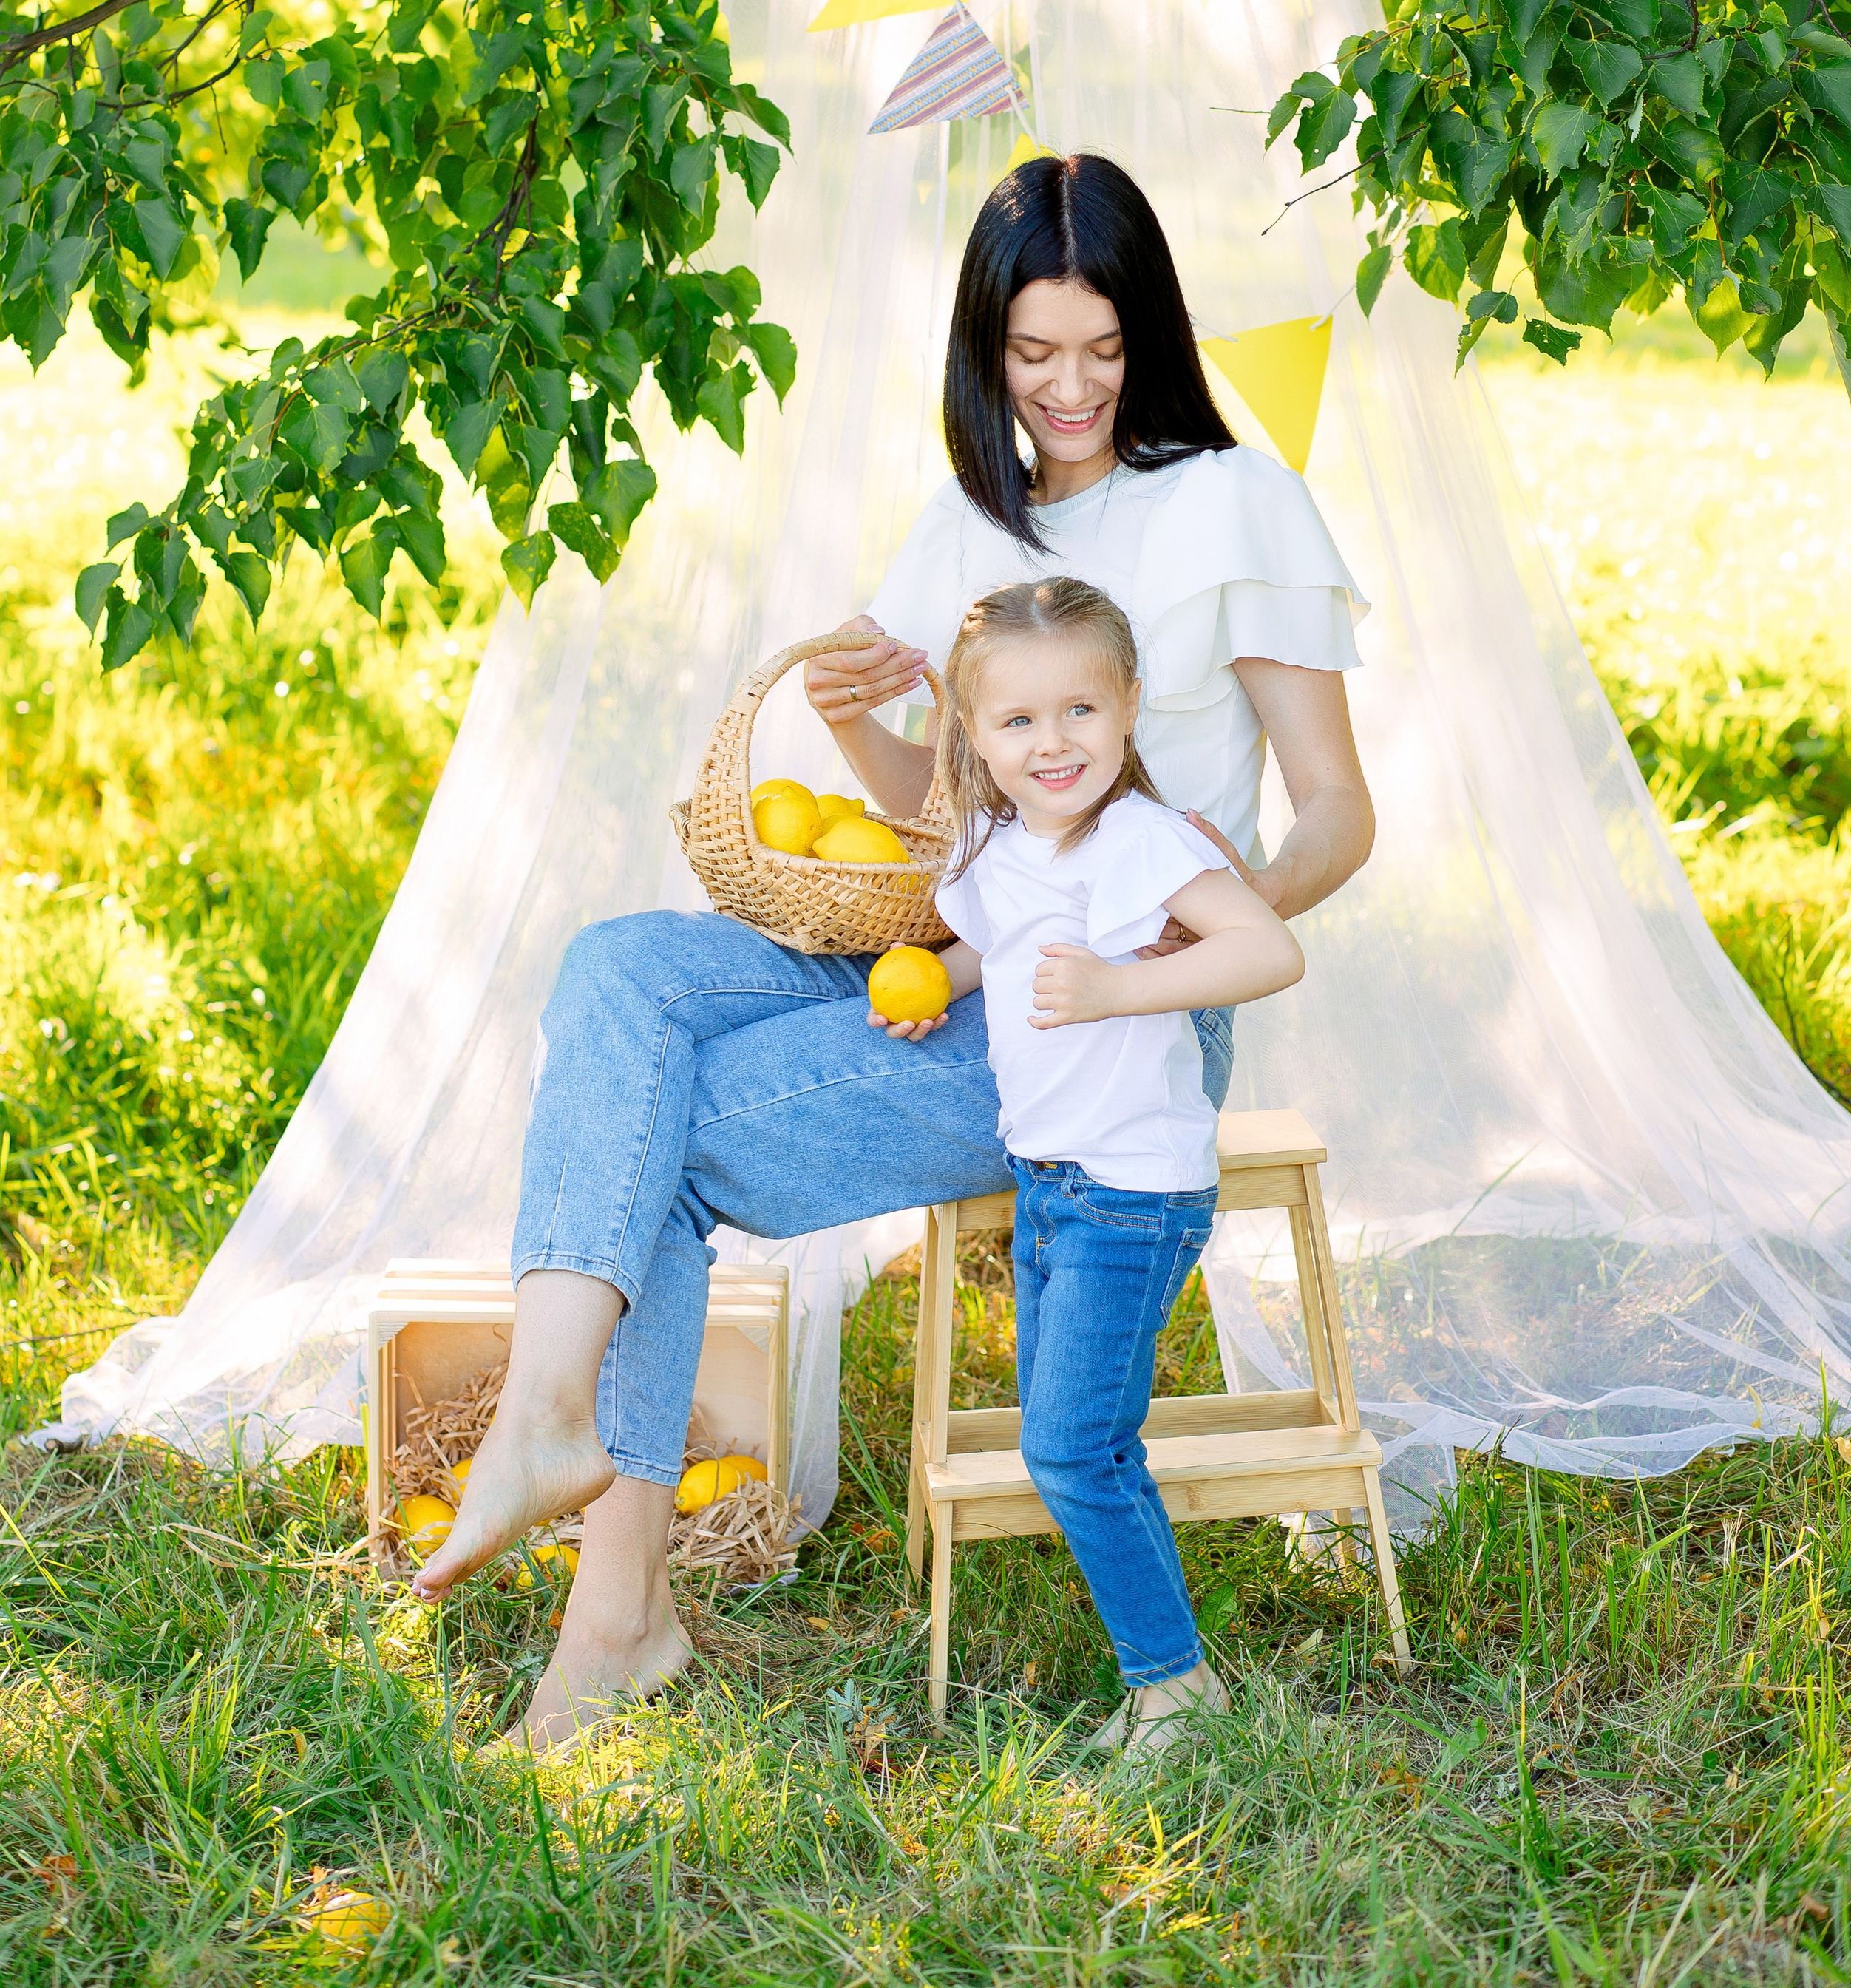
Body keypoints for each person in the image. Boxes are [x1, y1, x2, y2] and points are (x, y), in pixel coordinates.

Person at [413, 152, 1374, 1752]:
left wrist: (1200, 919)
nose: (1068, 389)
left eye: (1103, 346)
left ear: (1151, 334)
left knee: (664, 1137)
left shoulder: (1235, 505)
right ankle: (549, 1424)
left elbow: (1339, 808)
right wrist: (866, 727)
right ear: (982, 349)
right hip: (950, 941)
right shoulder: (962, 527)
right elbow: (945, 833)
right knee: (618, 973)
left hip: (1106, 1015)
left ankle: (609, 1613)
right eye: (1031, 353)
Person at [877, 574, 1305, 1756]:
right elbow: (992, 944)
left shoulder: (1141, 841)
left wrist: (1123, 987)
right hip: (1050, 1188)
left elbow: (1267, 951)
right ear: (973, 733)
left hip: (1136, 1192)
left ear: (1127, 711)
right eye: (1016, 721)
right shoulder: (999, 847)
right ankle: (1175, 1678)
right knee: (1093, 1440)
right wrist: (936, 988)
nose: (1051, 743)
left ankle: (1172, 1685)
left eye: (1079, 712)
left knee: (1064, 1445)